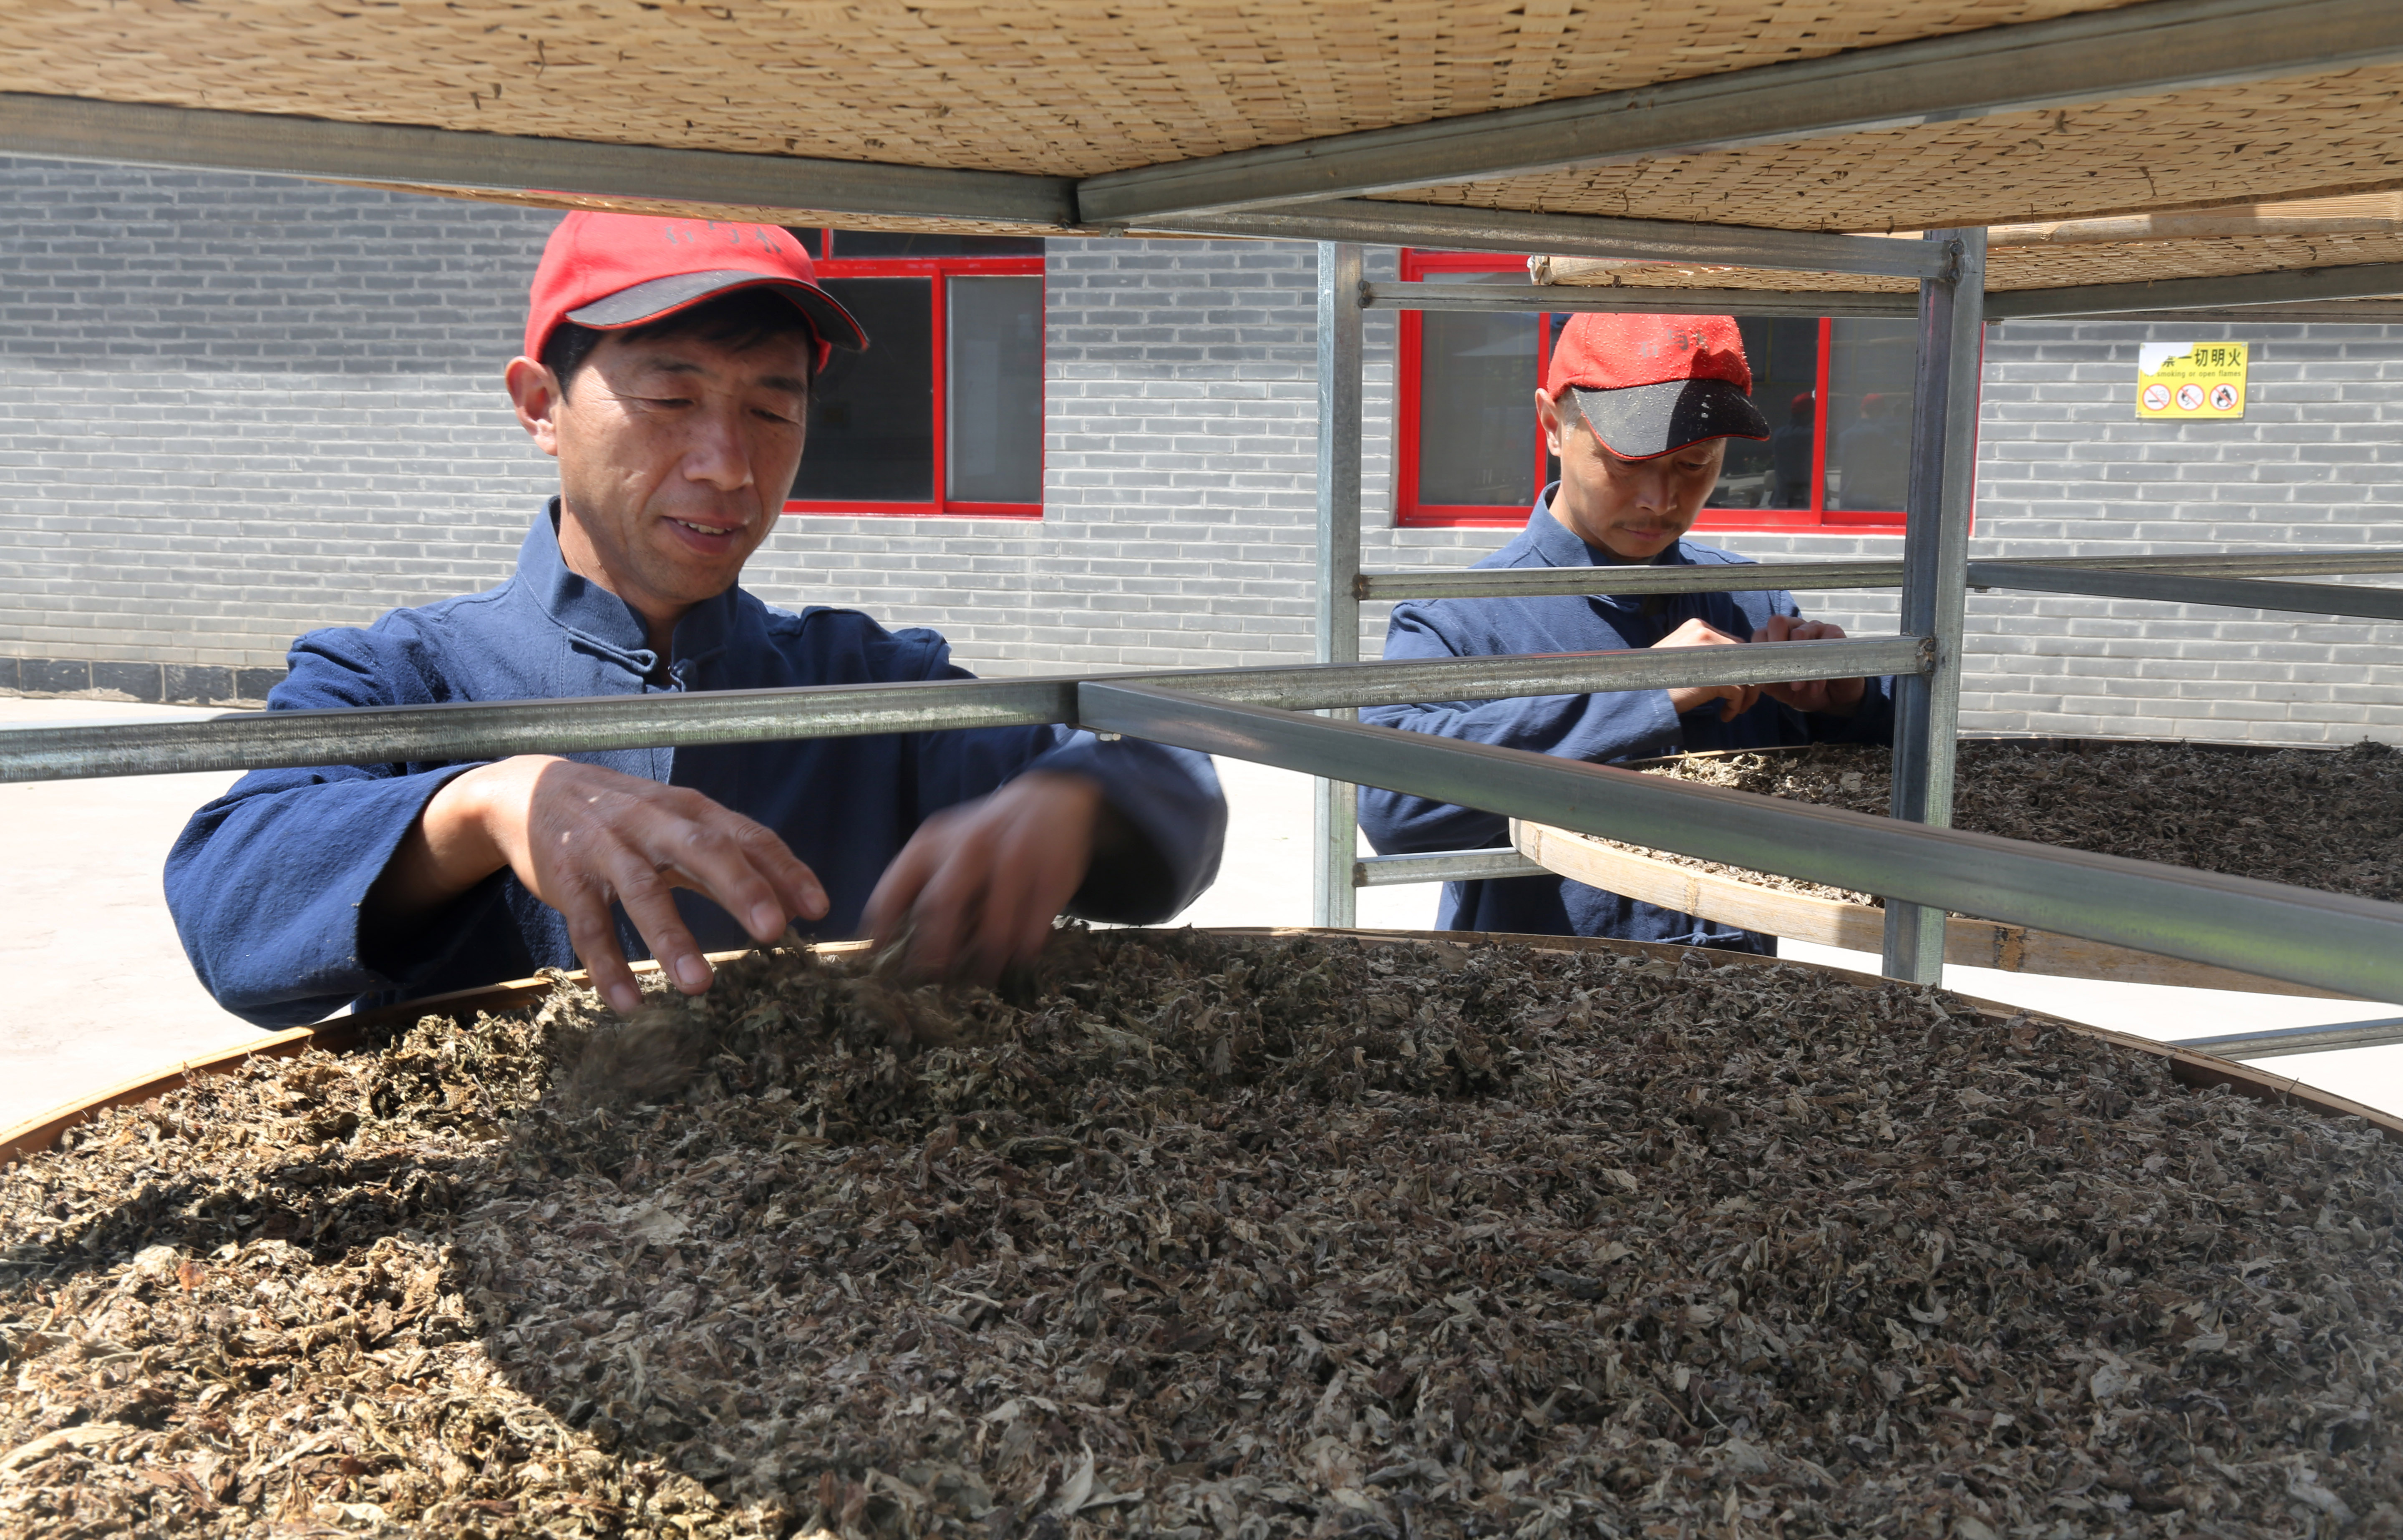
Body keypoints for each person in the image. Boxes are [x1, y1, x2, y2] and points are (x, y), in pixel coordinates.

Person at [168, 212, 1225, 1029]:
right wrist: (490, 804)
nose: (727, 465)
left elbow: (1171, 775)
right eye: (671, 400)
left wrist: (1077, 802)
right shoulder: (400, 676)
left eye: (771, 409)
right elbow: (229, 908)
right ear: (540, 405)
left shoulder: (870, 686)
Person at [1357, 313, 1892, 951]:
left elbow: (1885, 794)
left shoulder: (1751, 600)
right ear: (1553, 425)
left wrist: (1853, 706)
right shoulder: (1458, 616)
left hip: (1741, 994)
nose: (1659, 500)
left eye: (1695, 464)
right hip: (1539, 993)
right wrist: (1642, 693)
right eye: (1624, 463)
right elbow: (1394, 812)